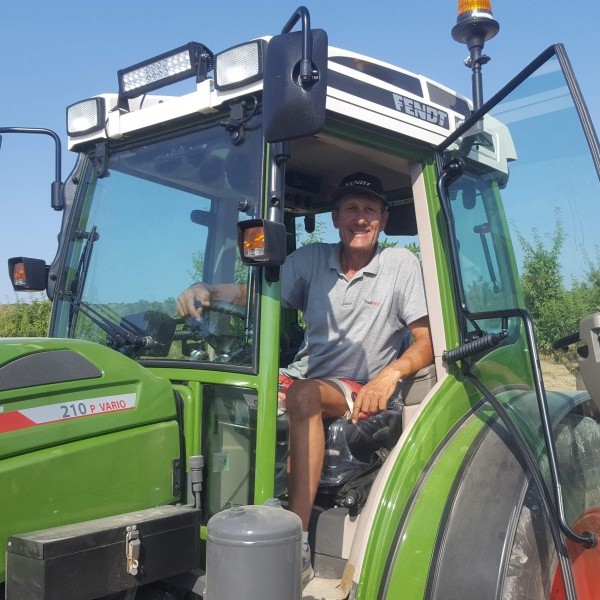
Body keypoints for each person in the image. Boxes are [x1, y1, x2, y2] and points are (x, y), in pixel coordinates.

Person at [176, 171, 434, 585]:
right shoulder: (312, 261)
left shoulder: (400, 264)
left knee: (303, 398)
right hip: (306, 375)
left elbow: (425, 340)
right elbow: (256, 294)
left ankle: (294, 539)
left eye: (370, 210)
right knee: (229, 394)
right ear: (336, 217)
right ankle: (217, 518)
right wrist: (207, 288)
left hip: (357, 385)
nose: (360, 218)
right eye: (351, 208)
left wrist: (391, 374)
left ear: (384, 219)